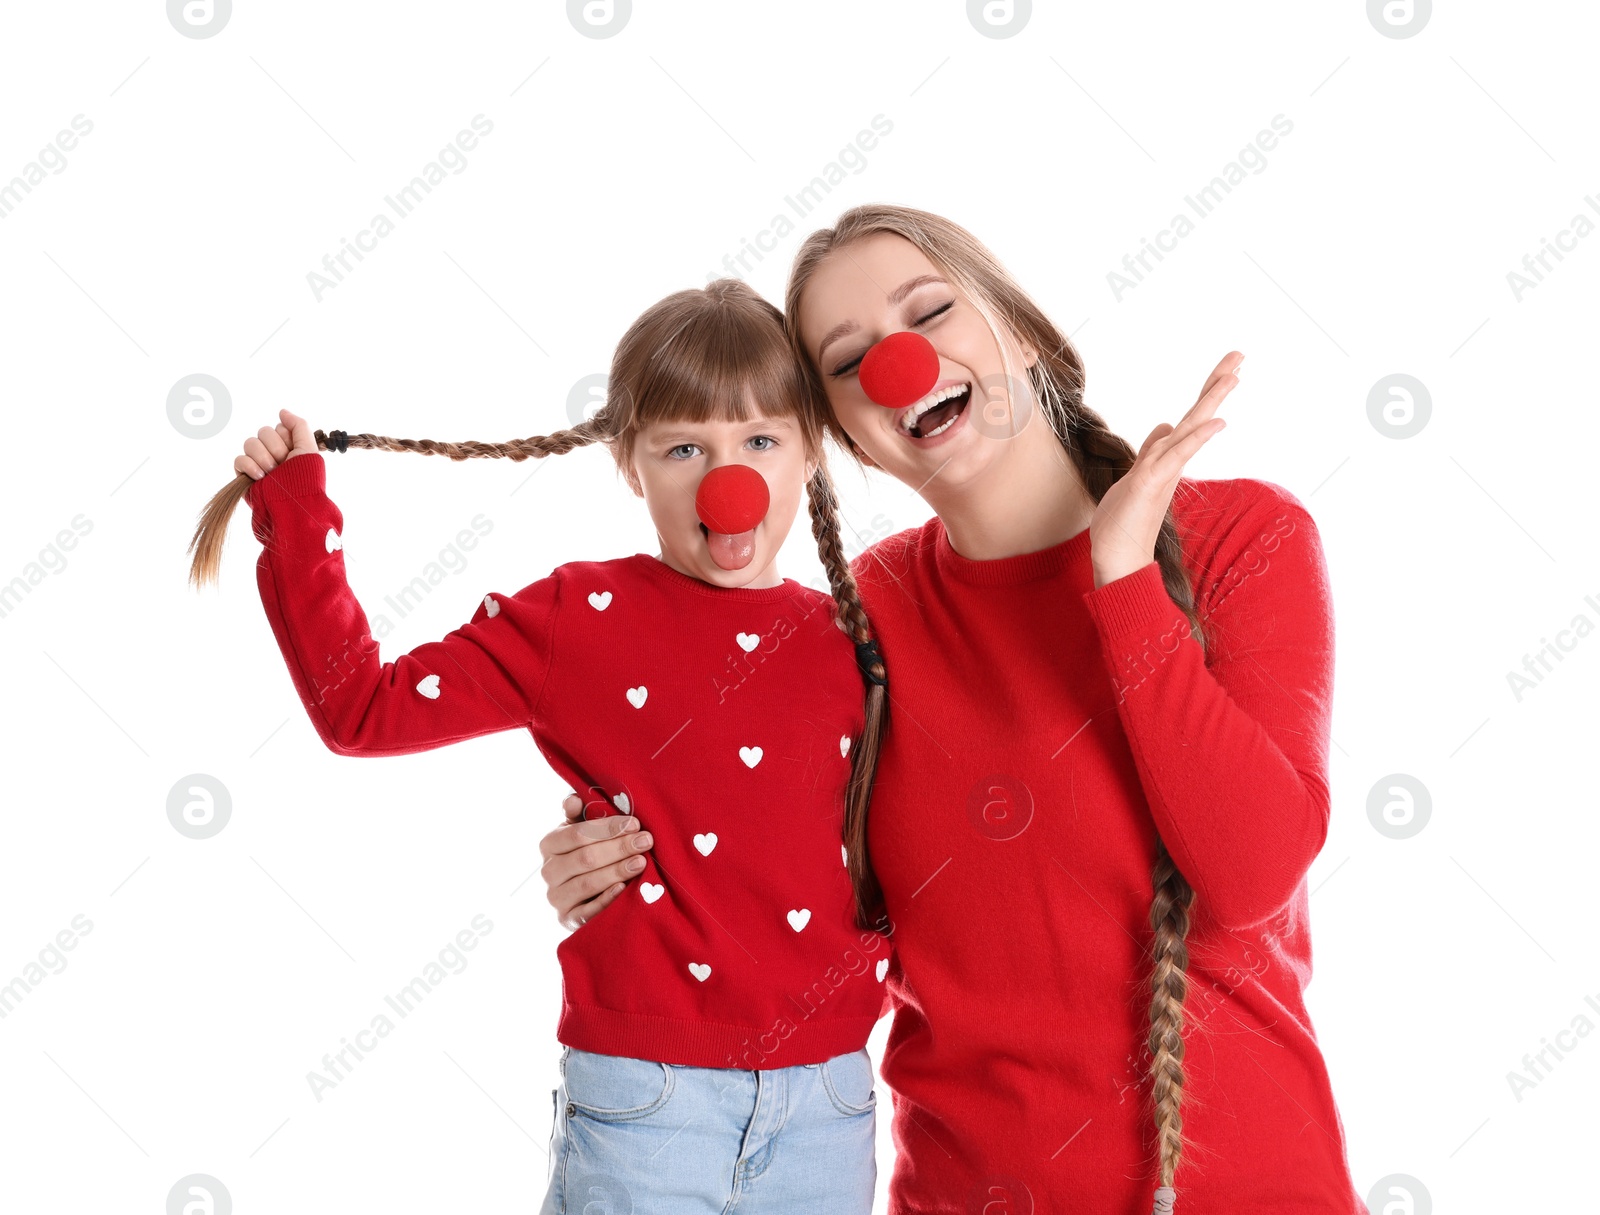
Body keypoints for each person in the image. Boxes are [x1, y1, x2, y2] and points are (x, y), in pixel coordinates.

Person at [538, 206, 1364, 1214]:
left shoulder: (1244, 535)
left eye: (928, 311)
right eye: (847, 366)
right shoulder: (855, 621)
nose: (897, 364)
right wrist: (621, 846)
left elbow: (1250, 872)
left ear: (1018, 330)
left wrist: (1121, 581)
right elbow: (773, 865)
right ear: (847, 438)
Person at [186, 279, 896, 1215]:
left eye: (761, 440)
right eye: (684, 447)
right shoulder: (579, 616)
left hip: (833, 1098)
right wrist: (300, 519)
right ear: (629, 464)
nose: (729, 479)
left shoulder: (860, 639)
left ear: (810, 450)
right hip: (652, 1099)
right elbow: (365, 707)